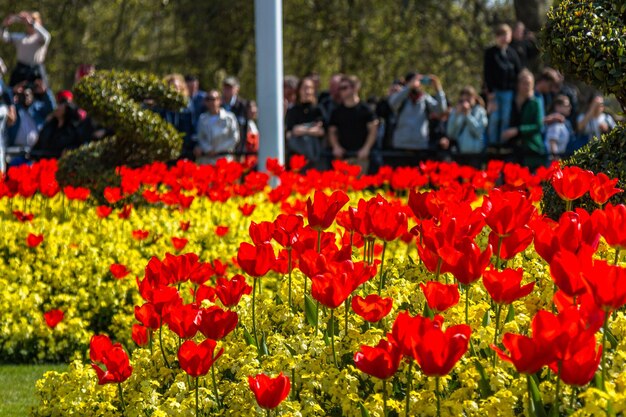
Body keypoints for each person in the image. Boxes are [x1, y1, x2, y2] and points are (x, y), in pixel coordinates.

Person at [387, 72, 447, 165]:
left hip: (420, 146)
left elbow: (441, 110)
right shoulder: (402, 97)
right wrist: (409, 87)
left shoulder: (425, 98)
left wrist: (438, 89)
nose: (417, 84)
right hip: (401, 145)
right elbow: (393, 104)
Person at [328, 75, 378, 174]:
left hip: (361, 157)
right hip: (343, 158)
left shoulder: (366, 110)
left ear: (355, 88)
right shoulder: (336, 111)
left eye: (345, 88)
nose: (341, 91)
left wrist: (366, 148)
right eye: (340, 88)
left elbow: (373, 130)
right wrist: (336, 147)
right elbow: (332, 131)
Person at [484, 24, 521, 146]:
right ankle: (493, 144)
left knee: (505, 118)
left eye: (506, 35)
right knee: (495, 118)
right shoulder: (490, 53)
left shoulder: (512, 53)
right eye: (501, 35)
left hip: (508, 91)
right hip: (495, 91)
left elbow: (518, 71)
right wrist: (490, 92)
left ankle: (502, 144)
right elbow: (487, 73)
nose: (504, 38)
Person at [501, 69, 545, 170]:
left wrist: (517, 130)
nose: (527, 86)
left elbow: (538, 126)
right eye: (524, 83)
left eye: (529, 83)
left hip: (532, 149)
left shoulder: (536, 103)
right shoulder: (511, 101)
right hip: (513, 149)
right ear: (518, 84)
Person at [285, 77, 325, 171]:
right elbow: (291, 132)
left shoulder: (318, 110)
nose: (308, 91)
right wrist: (311, 128)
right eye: (305, 88)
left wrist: (302, 129)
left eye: (310, 88)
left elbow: (321, 131)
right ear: (299, 90)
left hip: (315, 157)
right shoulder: (293, 111)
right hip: (297, 158)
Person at [2, 11, 51, 87]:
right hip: (21, 69)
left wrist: (32, 23)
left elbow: (47, 36)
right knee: (10, 91)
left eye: (34, 20)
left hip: (36, 70)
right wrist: (5, 25)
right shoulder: (21, 37)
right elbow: (4, 38)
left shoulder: (40, 38)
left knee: (44, 92)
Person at [31, 90, 82, 160]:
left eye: (61, 104)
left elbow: (79, 145)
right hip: (43, 161)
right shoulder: (49, 125)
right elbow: (38, 145)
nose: (57, 107)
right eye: (57, 103)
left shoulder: (75, 128)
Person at [194, 90, 240, 165]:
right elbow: (200, 137)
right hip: (207, 160)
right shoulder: (202, 118)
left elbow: (235, 137)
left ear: (220, 101)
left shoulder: (229, 117)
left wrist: (219, 150)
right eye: (208, 99)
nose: (211, 102)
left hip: (225, 159)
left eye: (213, 99)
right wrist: (208, 149)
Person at [447, 86, 488, 166]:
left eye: (468, 100)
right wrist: (456, 116)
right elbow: (450, 133)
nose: (466, 103)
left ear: (474, 98)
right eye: (463, 100)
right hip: (460, 154)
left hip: (476, 155)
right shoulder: (456, 112)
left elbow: (479, 132)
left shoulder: (480, 111)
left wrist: (468, 116)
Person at [161, 73, 194, 160]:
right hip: (165, 152)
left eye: (177, 87)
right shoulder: (160, 108)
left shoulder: (188, 107)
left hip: (184, 152)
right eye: (171, 87)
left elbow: (191, 129)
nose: (174, 90)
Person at [544, 95, 574, 161]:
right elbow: (552, 143)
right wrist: (556, 160)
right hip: (553, 160)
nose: (570, 107)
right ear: (557, 107)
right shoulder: (555, 122)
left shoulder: (562, 122)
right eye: (566, 105)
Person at [221, 76, 247, 146]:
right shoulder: (217, 105)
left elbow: (245, 129)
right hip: (220, 148)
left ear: (237, 89)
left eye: (230, 87)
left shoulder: (243, 105)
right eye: (225, 87)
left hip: (238, 148)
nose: (227, 90)